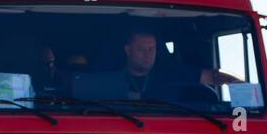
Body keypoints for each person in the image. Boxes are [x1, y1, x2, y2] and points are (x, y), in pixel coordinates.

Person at [92, 30, 239, 101]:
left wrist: (240, 85)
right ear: (128, 50)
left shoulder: (170, 74)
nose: (148, 54)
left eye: (152, 49)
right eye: (141, 49)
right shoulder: (109, 77)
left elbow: (211, 77)